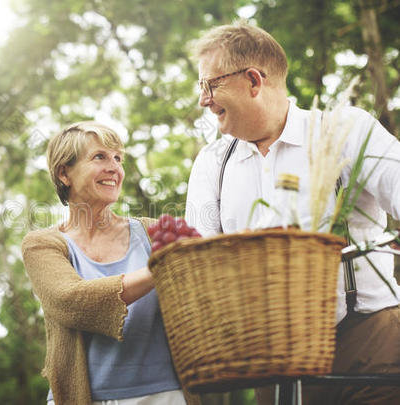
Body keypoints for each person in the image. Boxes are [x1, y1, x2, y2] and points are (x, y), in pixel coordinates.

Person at [185, 21, 400, 405]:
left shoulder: (345, 130)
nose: (203, 99)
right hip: (271, 361)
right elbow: (199, 266)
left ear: (253, 81)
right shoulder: (211, 163)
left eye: (210, 84)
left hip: (368, 341)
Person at [22, 121, 200, 405]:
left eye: (118, 158)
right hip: (84, 398)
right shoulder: (43, 244)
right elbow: (71, 302)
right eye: (99, 157)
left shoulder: (153, 233)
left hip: (165, 395)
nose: (114, 168)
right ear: (64, 173)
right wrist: (162, 269)